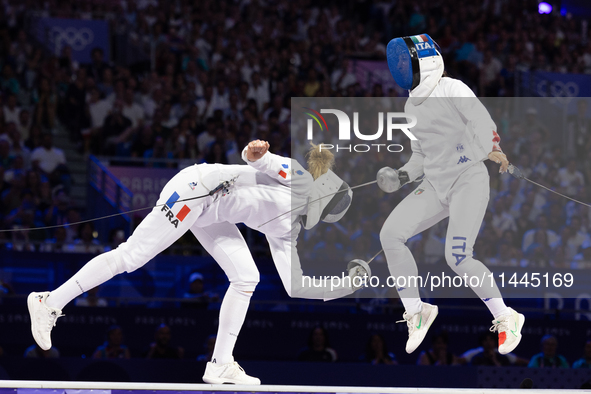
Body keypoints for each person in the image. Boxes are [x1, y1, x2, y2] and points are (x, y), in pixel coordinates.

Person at [28, 140, 361, 385]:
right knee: (132, 255)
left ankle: (220, 363)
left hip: (211, 214)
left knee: (247, 277)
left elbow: (295, 285)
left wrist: (346, 285)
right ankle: (48, 302)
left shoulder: (288, 231)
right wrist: (255, 153)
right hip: (198, 188)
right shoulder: (300, 177)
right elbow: (261, 160)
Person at [379, 34, 524, 355]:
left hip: (467, 182)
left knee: (457, 257)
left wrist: (493, 147)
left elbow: (482, 120)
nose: (401, 68)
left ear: (425, 62)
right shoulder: (409, 104)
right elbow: (420, 157)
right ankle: (417, 310)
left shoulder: (452, 88)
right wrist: (400, 176)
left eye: (406, 63)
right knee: (390, 235)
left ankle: (506, 316)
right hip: (434, 184)